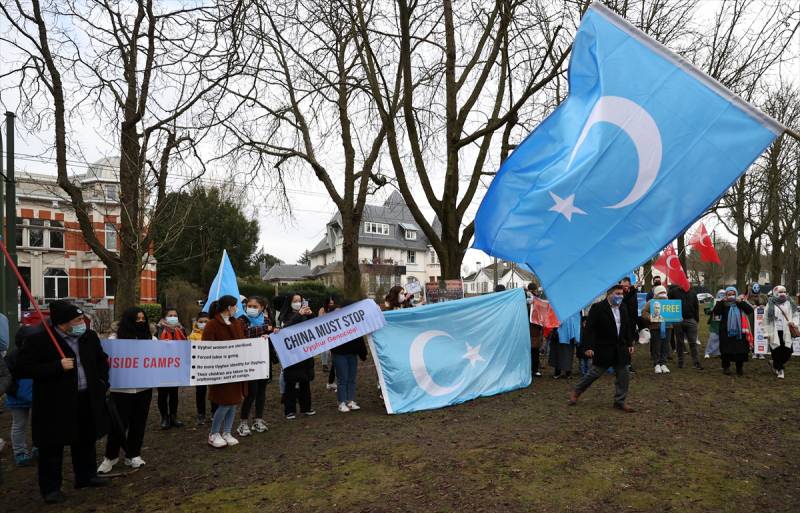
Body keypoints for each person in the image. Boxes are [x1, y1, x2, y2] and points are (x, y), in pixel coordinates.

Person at [14, 300, 110, 504]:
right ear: (63, 323)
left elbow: (101, 360)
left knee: (86, 439)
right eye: (77, 320)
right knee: (52, 446)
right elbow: (22, 368)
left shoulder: (89, 337)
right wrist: (56, 366)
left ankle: (86, 476)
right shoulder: (40, 340)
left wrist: (101, 382)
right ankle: (51, 488)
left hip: (85, 398)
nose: (81, 323)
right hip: (54, 403)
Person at [97, 307, 154, 475]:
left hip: (144, 388)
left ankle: (133, 454)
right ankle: (110, 457)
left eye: (143, 318)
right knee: (118, 424)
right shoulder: (114, 340)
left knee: (139, 422)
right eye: (137, 319)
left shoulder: (151, 339)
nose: (141, 322)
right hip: (121, 389)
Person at [569, 285, 635, 412]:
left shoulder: (623, 307)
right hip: (604, 347)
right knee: (595, 373)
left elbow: (627, 326)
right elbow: (590, 329)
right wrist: (588, 347)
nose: (620, 296)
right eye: (617, 293)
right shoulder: (598, 308)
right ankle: (577, 391)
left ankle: (620, 401)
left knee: (624, 373)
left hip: (620, 347)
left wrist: (630, 343)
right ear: (609, 294)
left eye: (622, 294)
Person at [202, 295, 249, 448]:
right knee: (225, 402)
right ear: (229, 307)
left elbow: (243, 342)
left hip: (236, 368)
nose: (237, 309)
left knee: (234, 401)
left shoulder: (237, 323)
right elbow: (207, 348)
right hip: (221, 370)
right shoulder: (212, 324)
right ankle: (214, 433)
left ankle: (227, 432)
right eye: (235, 306)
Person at [237, 296, 275, 436]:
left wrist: (270, 333)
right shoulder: (242, 320)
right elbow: (244, 333)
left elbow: (270, 333)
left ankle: (258, 419)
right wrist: (265, 329)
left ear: (262, 308)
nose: (251, 308)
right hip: (248, 361)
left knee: (261, 391)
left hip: (263, 360)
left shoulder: (266, 320)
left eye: (255, 306)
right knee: (251, 392)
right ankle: (243, 422)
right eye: (249, 306)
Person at [281, 294, 316, 419]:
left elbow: (315, 327)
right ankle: (289, 410)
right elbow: (287, 327)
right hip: (292, 354)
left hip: (305, 353)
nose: (297, 303)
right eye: (295, 301)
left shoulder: (305, 314)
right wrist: (299, 315)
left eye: (300, 301)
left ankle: (306, 407)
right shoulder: (285, 315)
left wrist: (311, 315)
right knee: (290, 383)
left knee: (305, 382)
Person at [331, 301, 368, 412]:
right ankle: (341, 402)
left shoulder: (355, 321)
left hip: (352, 353)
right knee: (343, 379)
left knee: (351, 378)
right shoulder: (335, 321)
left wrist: (363, 353)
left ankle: (350, 401)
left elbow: (360, 338)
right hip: (339, 353)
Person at [712, 287, 754, 376]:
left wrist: (740, 302)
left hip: (740, 331)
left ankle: (739, 367)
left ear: (736, 294)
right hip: (726, 331)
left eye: (733, 294)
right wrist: (721, 302)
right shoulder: (723, 303)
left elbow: (750, 310)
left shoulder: (740, 302)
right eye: (729, 294)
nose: (731, 296)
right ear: (726, 295)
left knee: (740, 351)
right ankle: (726, 367)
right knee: (726, 351)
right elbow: (716, 312)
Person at [156, 307, 186, 429]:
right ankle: (164, 417)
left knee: (174, 393)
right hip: (161, 367)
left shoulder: (181, 330)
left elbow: (185, 344)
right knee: (162, 394)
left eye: (175, 315)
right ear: (164, 318)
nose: (173, 317)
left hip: (175, 366)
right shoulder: (158, 329)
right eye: (171, 315)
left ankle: (173, 416)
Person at [763, 285, 797, 379]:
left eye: (784, 292)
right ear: (775, 293)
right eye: (780, 292)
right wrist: (766, 332)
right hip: (774, 331)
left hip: (786, 331)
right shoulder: (770, 303)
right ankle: (780, 369)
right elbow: (765, 319)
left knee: (788, 351)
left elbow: (795, 315)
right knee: (776, 351)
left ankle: (775, 363)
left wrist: (793, 322)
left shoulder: (790, 303)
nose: (782, 294)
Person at [669, 284, 703, 370]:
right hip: (678, 320)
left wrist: (696, 320)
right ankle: (680, 362)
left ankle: (696, 362)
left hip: (690, 320)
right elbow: (668, 301)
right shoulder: (674, 292)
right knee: (679, 342)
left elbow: (696, 306)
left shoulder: (692, 293)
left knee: (693, 342)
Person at [642, 285, 672, 374]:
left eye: (664, 293)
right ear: (656, 294)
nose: (662, 294)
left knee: (665, 346)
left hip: (668, 327)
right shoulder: (651, 302)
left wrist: (678, 317)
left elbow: (675, 312)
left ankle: (664, 363)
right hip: (655, 328)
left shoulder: (670, 302)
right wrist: (650, 317)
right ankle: (657, 364)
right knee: (656, 346)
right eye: (660, 293)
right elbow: (644, 313)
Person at [188, 312, 211, 425]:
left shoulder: (213, 333)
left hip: (213, 367)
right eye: (201, 322)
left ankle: (214, 412)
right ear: (197, 322)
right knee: (200, 391)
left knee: (214, 390)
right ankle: (201, 414)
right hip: (199, 368)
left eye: (206, 321)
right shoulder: (192, 336)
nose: (203, 324)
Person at [550, 311, 581, 378]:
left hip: (570, 336)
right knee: (559, 354)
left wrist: (577, 336)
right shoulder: (559, 309)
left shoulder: (575, 310)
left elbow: (577, 323)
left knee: (568, 355)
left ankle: (567, 372)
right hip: (560, 336)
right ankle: (559, 372)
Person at [704, 290, 725, 358]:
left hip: (724, 323)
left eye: (723, 294)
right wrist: (711, 309)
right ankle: (708, 352)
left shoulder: (727, 302)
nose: (721, 296)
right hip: (715, 323)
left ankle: (719, 352)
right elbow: (707, 310)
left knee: (722, 339)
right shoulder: (713, 301)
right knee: (712, 338)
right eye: (720, 294)